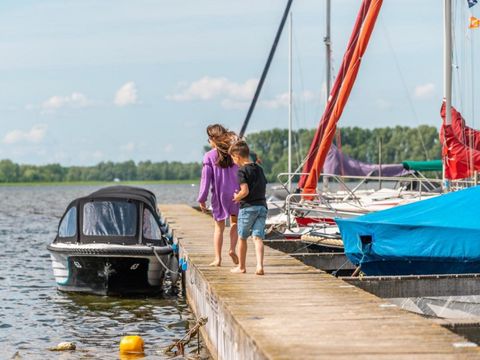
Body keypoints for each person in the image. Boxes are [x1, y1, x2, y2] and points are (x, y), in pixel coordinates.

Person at [198, 124, 240, 267]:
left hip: (219, 195)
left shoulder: (209, 156)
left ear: (212, 139)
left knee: (219, 227)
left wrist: (202, 199)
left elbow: (205, 180)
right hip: (236, 193)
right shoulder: (234, 152)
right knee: (235, 222)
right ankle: (232, 249)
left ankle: (218, 259)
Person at [228, 140, 268, 275]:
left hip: (248, 208)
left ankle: (242, 267)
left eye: (233, 158)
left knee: (242, 237)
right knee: (257, 237)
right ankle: (259, 266)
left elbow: (245, 191)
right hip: (262, 207)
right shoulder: (260, 169)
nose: (233, 162)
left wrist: (236, 197)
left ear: (237, 156)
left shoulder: (241, 171)